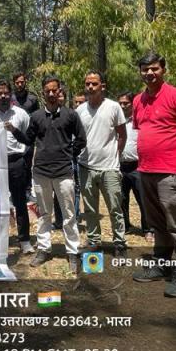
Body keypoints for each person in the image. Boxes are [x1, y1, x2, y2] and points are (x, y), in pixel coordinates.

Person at [131, 52, 176, 298]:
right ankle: (162, 265)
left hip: (172, 171)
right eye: (145, 69)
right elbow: (143, 130)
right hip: (146, 171)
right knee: (157, 223)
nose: (149, 73)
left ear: (163, 70)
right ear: (140, 72)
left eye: (154, 69)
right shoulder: (138, 100)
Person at [11, 75, 86, 272]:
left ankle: (72, 251)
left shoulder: (70, 115)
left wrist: (69, 154)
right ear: (43, 93)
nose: (51, 93)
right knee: (44, 214)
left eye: (54, 90)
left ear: (59, 91)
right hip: (41, 172)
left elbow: (81, 139)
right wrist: (14, 131)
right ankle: (44, 249)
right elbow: (28, 140)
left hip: (63, 172)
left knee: (69, 214)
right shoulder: (36, 116)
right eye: (47, 91)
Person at [76, 71, 128, 256]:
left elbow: (122, 135)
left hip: (109, 168)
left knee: (115, 207)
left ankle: (119, 243)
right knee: (90, 209)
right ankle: (94, 241)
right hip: (86, 167)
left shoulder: (113, 107)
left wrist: (116, 156)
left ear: (102, 86)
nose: (90, 87)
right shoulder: (80, 111)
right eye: (87, 84)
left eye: (94, 84)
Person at [0, 80, 33, 254]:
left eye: (6, 93)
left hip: (16, 162)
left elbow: (29, 138)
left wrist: (25, 161)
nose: (3, 96)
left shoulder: (21, 114)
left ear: (11, 94)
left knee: (20, 202)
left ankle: (24, 240)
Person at [117, 90, 151, 243]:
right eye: (120, 103)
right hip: (120, 166)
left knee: (143, 199)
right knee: (121, 199)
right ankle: (125, 226)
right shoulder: (116, 122)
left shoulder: (139, 122)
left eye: (126, 103)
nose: (123, 106)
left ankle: (148, 229)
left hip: (138, 167)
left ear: (132, 104)